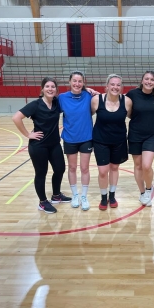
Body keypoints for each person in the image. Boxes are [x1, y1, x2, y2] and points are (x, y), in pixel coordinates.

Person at [12, 77, 71, 214]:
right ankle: (42, 202)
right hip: (38, 146)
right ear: (42, 89)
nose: (50, 89)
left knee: (60, 168)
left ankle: (56, 195)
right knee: (41, 173)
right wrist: (28, 134)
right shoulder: (35, 104)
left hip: (54, 144)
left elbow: (70, 96)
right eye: (47, 86)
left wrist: (90, 91)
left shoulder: (56, 103)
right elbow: (16, 118)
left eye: (53, 87)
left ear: (56, 90)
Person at [91, 74, 132, 210]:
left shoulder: (127, 101)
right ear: (107, 86)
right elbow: (88, 114)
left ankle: (112, 195)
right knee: (103, 171)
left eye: (118, 85)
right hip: (100, 141)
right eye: (112, 84)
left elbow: (131, 115)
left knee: (114, 168)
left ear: (121, 87)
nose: (115, 87)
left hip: (119, 141)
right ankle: (103, 197)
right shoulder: (97, 100)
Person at [58, 71, 93, 211]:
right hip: (70, 138)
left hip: (86, 138)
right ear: (69, 82)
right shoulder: (62, 98)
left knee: (84, 168)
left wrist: (91, 91)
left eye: (80, 81)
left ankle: (84, 196)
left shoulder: (89, 96)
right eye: (74, 81)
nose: (77, 84)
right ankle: (75, 195)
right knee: (72, 168)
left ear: (83, 83)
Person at [126, 71, 154, 207]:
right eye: (146, 79)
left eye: (152, 80)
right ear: (142, 80)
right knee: (138, 165)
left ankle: (149, 188)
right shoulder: (132, 94)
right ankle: (142, 193)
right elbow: (127, 111)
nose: (149, 81)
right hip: (135, 134)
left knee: (147, 165)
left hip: (151, 135)